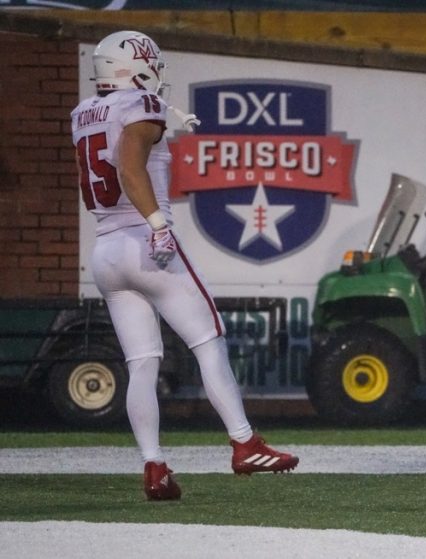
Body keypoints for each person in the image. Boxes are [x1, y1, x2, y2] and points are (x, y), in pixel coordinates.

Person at [72, 30, 299, 501]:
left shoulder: (83, 113)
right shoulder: (142, 106)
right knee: (208, 340)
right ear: (136, 66)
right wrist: (156, 224)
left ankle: (154, 466)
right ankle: (244, 443)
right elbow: (128, 166)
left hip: (106, 250)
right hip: (144, 241)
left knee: (142, 363)